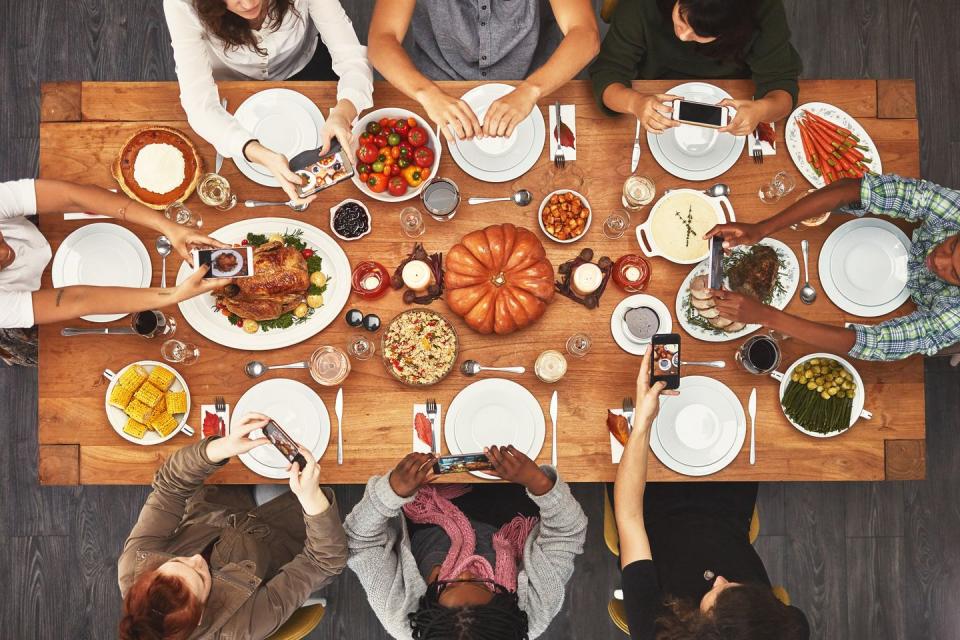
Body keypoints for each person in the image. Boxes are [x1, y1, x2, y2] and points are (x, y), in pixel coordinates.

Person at [614, 346, 809, 639]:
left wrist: (642, 423)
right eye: (732, 584)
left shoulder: (653, 628)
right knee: (733, 403)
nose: (720, 578)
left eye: (717, 591)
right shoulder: (784, 628)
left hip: (651, 515)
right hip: (726, 514)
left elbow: (629, 516)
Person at [118, 413, 347, 640]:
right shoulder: (241, 628)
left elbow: (170, 486)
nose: (197, 559)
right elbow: (325, 560)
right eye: (200, 576)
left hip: (218, 501)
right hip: (283, 538)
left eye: (177, 560)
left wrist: (221, 447)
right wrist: (311, 497)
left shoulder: (136, 563)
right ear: (199, 617)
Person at [706, 174, 960, 361]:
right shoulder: (954, 209)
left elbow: (874, 344)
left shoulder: (956, 318)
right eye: (952, 246)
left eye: (953, 273)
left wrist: (765, 316)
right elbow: (851, 190)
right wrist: (761, 228)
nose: (939, 260)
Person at [343, 447, 587, 639]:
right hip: (516, 498)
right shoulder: (535, 611)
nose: (468, 570)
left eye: (447, 586)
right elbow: (566, 532)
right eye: (482, 584)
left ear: (428, 605)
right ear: (506, 602)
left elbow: (360, 541)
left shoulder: (399, 613)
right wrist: (539, 483)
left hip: (424, 498)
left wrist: (391, 493)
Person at [163, 0, 374, 204]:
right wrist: (255, 152)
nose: (248, 4)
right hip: (234, 82)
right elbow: (199, 104)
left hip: (304, 66)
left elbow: (352, 59)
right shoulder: (181, 4)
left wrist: (343, 113)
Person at [0, 178, 225, 333]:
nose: (4, 251)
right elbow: (79, 300)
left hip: (46, 228)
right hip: (40, 295)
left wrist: (167, 227)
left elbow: (74, 196)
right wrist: (173, 295)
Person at [366, 0, 599, 142]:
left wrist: (530, 89)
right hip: (437, 88)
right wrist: (426, 93)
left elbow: (585, 35)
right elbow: (381, 40)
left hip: (535, 83)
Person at [590, 0, 802, 135]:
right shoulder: (641, 6)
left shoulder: (764, 10)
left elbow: (782, 86)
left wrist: (761, 110)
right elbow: (608, 71)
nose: (682, 36)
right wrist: (634, 102)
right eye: (681, 20)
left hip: (735, 90)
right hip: (654, 85)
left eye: (700, 33)